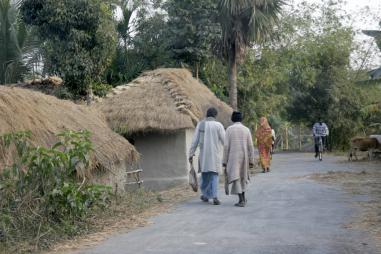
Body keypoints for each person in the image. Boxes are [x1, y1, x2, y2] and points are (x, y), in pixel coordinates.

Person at [189, 107, 225, 205]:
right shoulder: (218, 125)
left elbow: (195, 141)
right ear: (215, 115)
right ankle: (214, 197)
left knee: (205, 176)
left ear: (207, 115)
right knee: (214, 176)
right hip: (215, 155)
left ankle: (206, 195)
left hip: (204, 156)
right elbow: (224, 141)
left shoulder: (201, 124)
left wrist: (191, 153)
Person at [223, 112, 254, 207]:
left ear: (232, 119)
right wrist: (251, 160)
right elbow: (251, 146)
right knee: (243, 177)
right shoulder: (246, 130)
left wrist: (224, 161)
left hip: (233, 157)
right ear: (241, 119)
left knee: (236, 178)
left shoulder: (229, 129)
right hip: (244, 157)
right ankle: (243, 198)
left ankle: (241, 200)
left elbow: (226, 146)